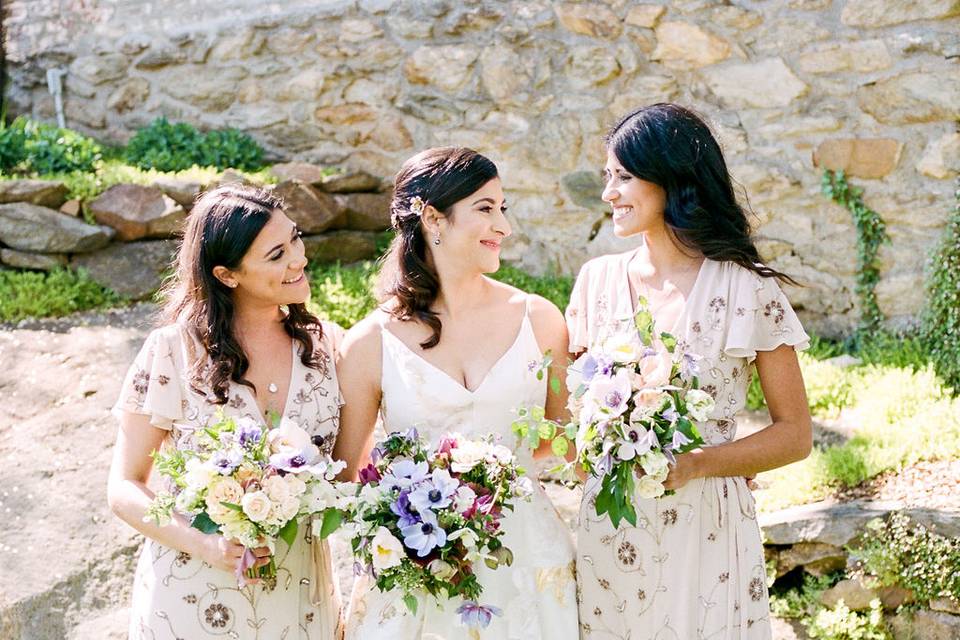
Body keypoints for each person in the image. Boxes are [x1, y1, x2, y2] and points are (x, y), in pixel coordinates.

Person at [567, 103, 812, 639]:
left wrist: (701, 463)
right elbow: (572, 417)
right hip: (611, 525)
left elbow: (795, 435)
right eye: (608, 175)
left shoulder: (746, 289)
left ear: (672, 177)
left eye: (624, 176)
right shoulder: (595, 281)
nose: (609, 192)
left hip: (708, 528)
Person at [334, 147, 578, 639]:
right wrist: (415, 510)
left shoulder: (541, 320)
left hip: (527, 560)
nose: (503, 226)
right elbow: (346, 475)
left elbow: (566, 441)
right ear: (432, 218)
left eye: (502, 208)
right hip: (421, 571)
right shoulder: (369, 342)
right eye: (485, 209)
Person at [107, 185, 343, 639]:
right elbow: (123, 486)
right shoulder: (174, 352)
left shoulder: (328, 346)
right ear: (227, 274)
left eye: (295, 238)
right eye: (277, 254)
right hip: (194, 599)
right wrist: (208, 545)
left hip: (301, 601)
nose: (299, 258)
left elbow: (352, 470)